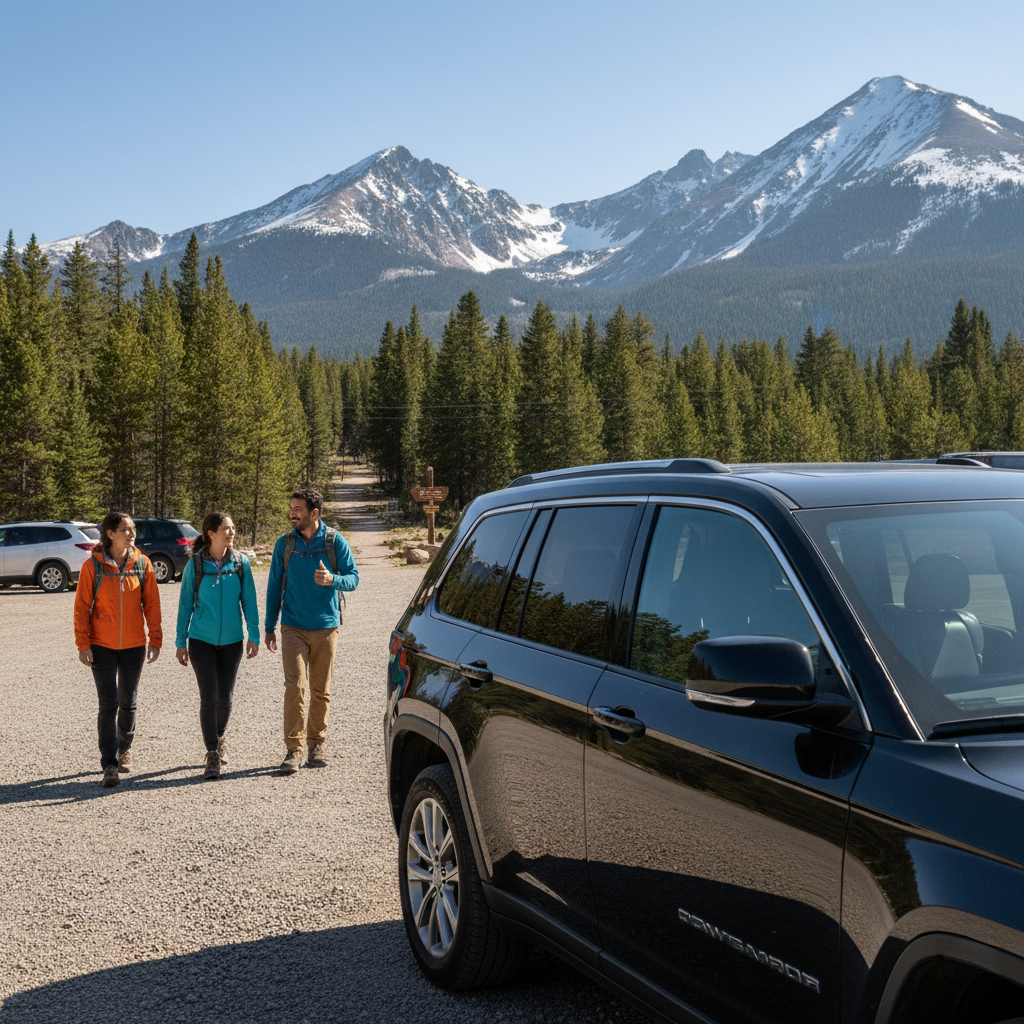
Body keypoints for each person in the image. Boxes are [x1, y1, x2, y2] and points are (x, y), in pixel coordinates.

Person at [264, 488, 358, 774]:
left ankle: (317, 745)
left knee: (320, 690)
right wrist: (269, 627)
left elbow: (353, 579)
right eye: (291, 508)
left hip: (326, 627)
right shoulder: (285, 544)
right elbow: (273, 587)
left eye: (298, 509)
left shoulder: (334, 541)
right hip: (292, 627)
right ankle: (294, 750)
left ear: (314, 513)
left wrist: (333, 579)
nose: (292, 514)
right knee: (295, 687)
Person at [74, 512, 162, 788]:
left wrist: (155, 638)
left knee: (128, 701)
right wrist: (83, 644)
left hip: (134, 645)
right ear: (110, 534)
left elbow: (152, 605)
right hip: (102, 646)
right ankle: (109, 763)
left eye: (132, 528)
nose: (131, 533)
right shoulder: (93, 566)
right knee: (108, 704)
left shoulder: (142, 564)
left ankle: (125, 747)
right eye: (125, 529)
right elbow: (82, 608)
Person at [175, 511, 260, 780]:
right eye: (226, 528)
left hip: (233, 641)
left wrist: (254, 635)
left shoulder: (241, 563)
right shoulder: (196, 565)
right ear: (211, 533)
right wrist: (180, 642)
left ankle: (219, 735)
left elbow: (249, 602)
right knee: (209, 698)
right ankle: (212, 752)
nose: (231, 532)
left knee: (226, 699)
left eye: (233, 528)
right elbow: (185, 605)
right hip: (201, 641)